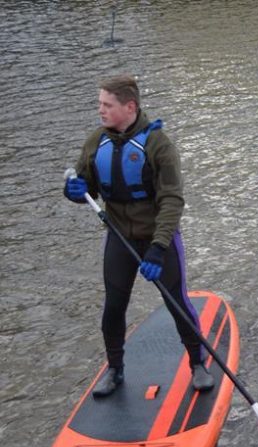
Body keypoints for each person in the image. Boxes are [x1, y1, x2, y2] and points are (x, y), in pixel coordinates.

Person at [64, 75, 214, 397]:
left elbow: (172, 200)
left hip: (159, 236)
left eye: (107, 105)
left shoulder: (159, 145)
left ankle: (197, 364)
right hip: (119, 237)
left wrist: (158, 249)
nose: (100, 110)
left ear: (129, 107)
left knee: (176, 303)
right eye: (100, 104)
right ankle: (115, 370)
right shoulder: (95, 142)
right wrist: (74, 192)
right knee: (114, 306)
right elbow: (86, 187)